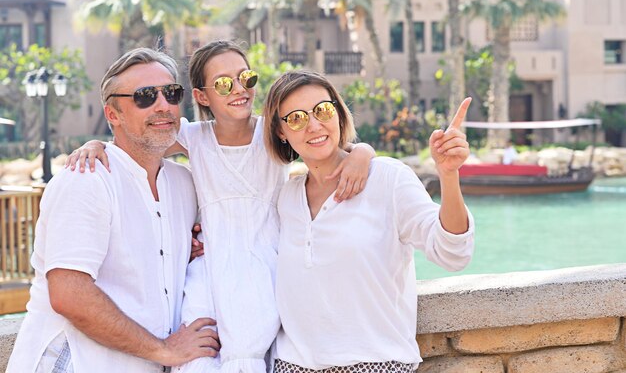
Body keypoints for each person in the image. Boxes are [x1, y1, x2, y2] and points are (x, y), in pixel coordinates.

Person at [65, 41, 375, 373]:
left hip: (265, 267)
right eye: (224, 84)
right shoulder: (194, 137)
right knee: (199, 353)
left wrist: (363, 152)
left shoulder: (272, 133)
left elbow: (324, 144)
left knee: (252, 350)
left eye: (247, 78)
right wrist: (96, 144)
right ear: (201, 96)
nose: (239, 89)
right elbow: (136, 139)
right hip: (209, 269)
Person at [7, 48, 220, 373]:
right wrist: (163, 350)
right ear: (113, 114)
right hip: (76, 363)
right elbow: (70, 295)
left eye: (171, 93)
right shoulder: (86, 181)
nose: (163, 105)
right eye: (145, 96)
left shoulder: (184, 184)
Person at [263, 70, 475, 372]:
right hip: (292, 365)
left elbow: (453, 253)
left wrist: (449, 175)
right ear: (281, 131)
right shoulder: (286, 197)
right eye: (296, 118)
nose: (313, 125)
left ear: (337, 114)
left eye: (322, 110)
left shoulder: (388, 178)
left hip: (378, 364)